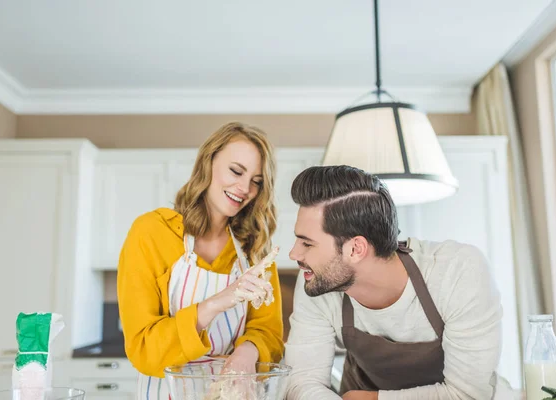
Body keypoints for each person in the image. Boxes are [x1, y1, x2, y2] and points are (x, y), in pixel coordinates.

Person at [284, 165, 513, 400]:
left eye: (307, 244)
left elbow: (467, 395)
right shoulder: (317, 282)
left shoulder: (458, 271)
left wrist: (369, 399)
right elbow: (302, 383)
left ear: (356, 249)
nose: (294, 254)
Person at [117, 122, 284, 399]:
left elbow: (268, 331)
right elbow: (144, 348)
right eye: (236, 171)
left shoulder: (255, 250)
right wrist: (216, 303)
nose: (244, 188)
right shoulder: (152, 232)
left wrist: (246, 352)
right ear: (208, 161)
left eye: (256, 181)